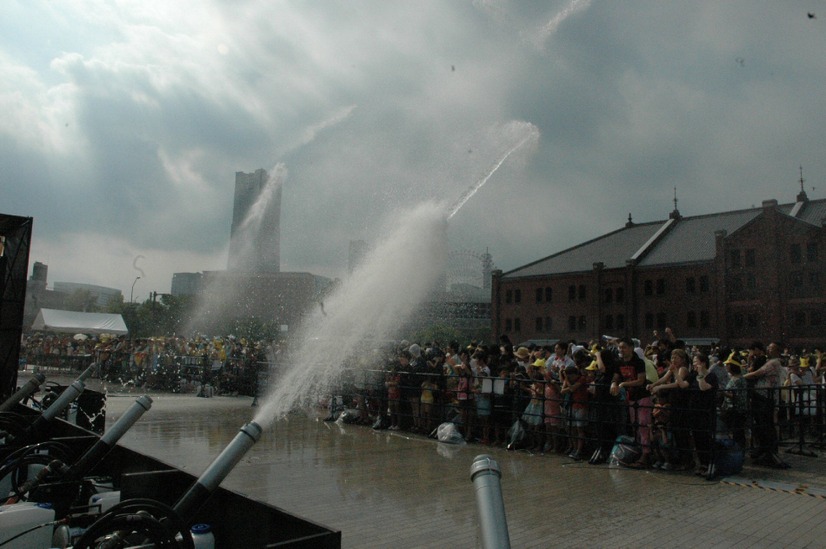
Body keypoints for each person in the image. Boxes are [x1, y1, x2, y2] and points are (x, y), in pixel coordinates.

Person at [611, 337, 652, 468]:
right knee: (635, 425)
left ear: (631, 348)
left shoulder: (638, 362)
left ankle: (646, 454)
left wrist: (624, 383)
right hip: (631, 397)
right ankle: (638, 451)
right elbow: (616, 377)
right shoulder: (619, 362)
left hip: (642, 396)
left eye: (624, 347)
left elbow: (641, 380)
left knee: (643, 424)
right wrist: (613, 383)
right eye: (620, 347)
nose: (621, 350)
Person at [744, 342, 784, 466]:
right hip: (762, 396)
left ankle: (769, 452)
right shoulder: (770, 361)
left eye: (771, 348)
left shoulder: (773, 363)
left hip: (765, 397)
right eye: (768, 347)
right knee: (761, 424)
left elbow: (757, 373)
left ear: (777, 350)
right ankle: (764, 450)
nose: (768, 349)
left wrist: (741, 377)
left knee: (765, 424)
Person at [687, 352, 718, 477]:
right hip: (694, 411)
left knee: (706, 438)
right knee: (697, 438)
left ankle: (710, 464)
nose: (694, 364)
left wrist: (700, 375)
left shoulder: (711, 376)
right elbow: (684, 384)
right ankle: (702, 463)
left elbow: (704, 388)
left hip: (706, 411)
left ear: (703, 363)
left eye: (696, 361)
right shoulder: (692, 375)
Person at [719, 351, 748, 449]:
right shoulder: (735, 377)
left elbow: (735, 396)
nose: (726, 366)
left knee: (737, 431)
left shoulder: (738, 379)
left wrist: (722, 392)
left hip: (736, 409)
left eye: (727, 365)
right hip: (733, 409)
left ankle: (739, 450)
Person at [560, 364, 589, 460]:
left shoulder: (582, 379)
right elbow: (563, 391)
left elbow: (572, 389)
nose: (570, 378)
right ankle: (575, 448)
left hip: (581, 406)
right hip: (572, 405)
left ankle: (579, 450)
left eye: (571, 376)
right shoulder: (573, 381)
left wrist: (567, 381)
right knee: (571, 428)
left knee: (579, 429)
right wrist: (568, 383)